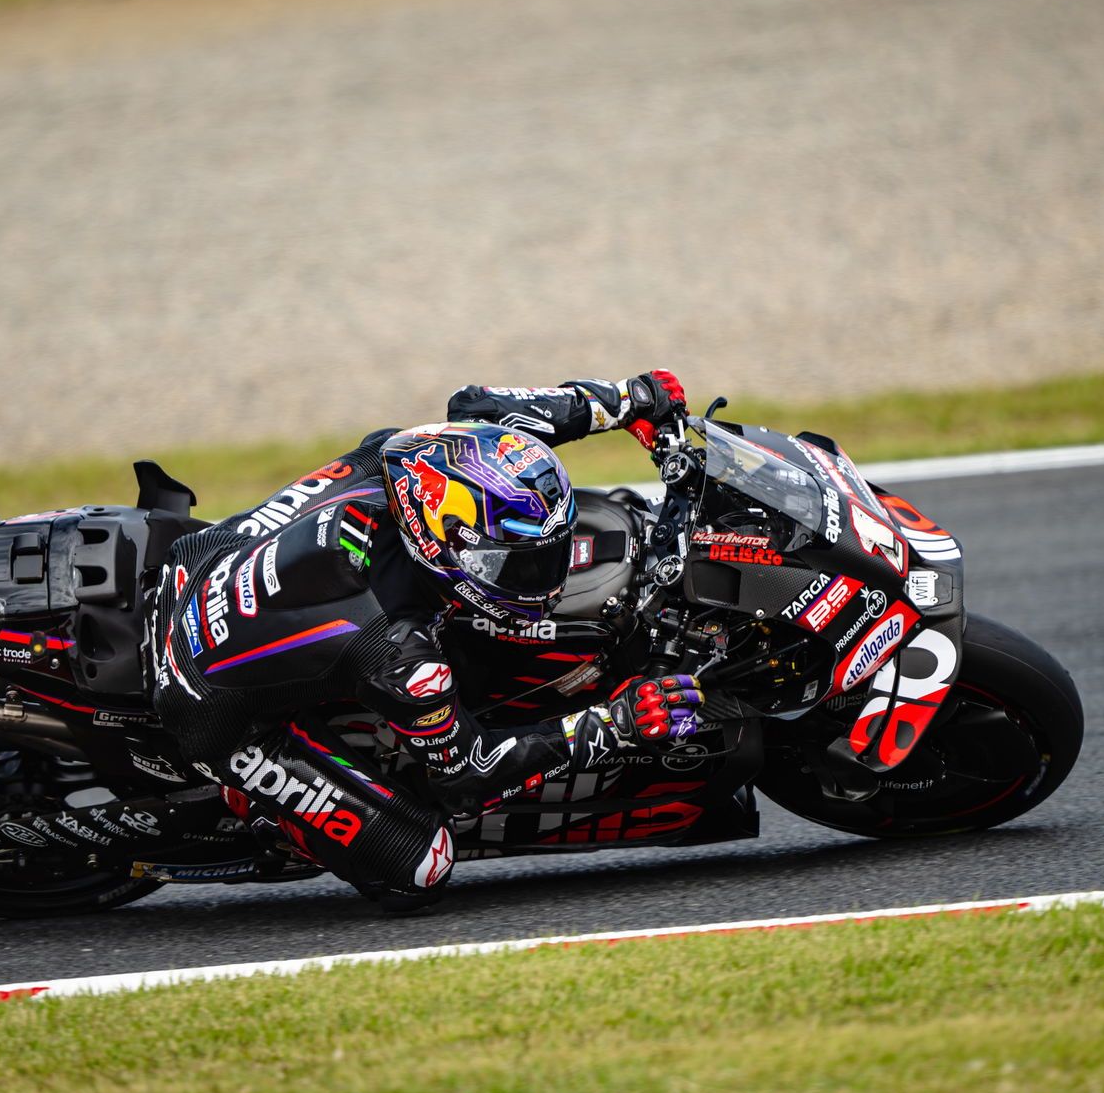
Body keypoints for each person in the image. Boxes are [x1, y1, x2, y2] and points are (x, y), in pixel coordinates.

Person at [150, 370, 711, 913]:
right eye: (514, 566)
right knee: (421, 865)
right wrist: (615, 723)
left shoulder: (403, 456)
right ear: (440, 544)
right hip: (202, 701)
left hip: (198, 558)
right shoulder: (399, 652)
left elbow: (478, 406)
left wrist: (627, 400)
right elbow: (470, 776)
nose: (546, 582)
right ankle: (256, 805)